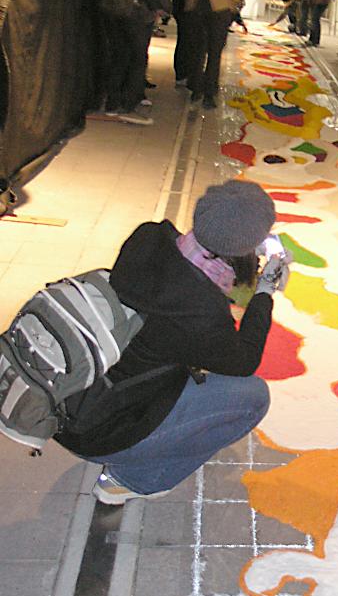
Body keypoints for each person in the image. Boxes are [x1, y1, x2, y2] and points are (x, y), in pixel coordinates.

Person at [55, 180, 292, 505]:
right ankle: (132, 479)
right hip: (101, 432)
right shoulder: (200, 309)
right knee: (252, 397)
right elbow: (245, 360)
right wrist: (264, 292)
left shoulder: (149, 237)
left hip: (70, 400)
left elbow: (193, 284)